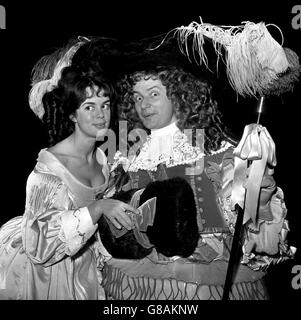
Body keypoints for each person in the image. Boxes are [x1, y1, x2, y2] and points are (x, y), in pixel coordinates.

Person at [99, 64, 294, 300]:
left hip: (207, 281)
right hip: (142, 282)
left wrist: (257, 199)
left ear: (179, 93)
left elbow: (254, 225)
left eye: (153, 93)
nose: (144, 105)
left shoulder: (219, 151)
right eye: (137, 97)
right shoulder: (127, 159)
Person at [0, 63, 139, 300]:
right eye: (89, 107)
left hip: (89, 265)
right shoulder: (49, 172)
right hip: (50, 273)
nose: (100, 115)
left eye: (105, 105)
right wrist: (96, 208)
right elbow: (38, 244)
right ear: (72, 114)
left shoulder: (103, 158)